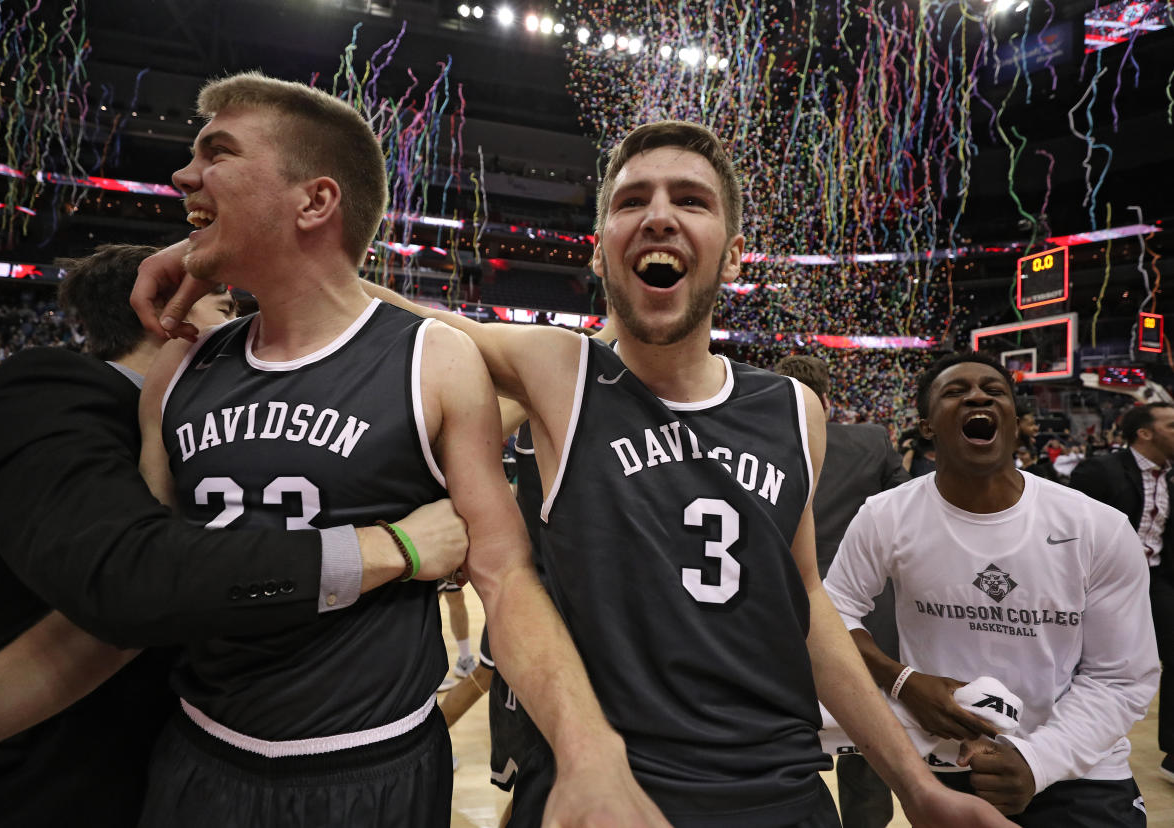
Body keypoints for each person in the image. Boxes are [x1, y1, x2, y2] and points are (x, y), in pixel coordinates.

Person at [137, 118, 1011, 827]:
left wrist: (915, 785)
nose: (660, 216)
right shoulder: (560, 372)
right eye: (632, 201)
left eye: (691, 201)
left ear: (733, 254)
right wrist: (231, 255)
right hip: (596, 788)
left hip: (777, 792)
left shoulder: (794, 408)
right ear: (599, 253)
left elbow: (805, 603)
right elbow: (378, 312)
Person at [131, 72, 658, 826]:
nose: (184, 174)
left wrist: (588, 750)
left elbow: (505, 578)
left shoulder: (431, 361)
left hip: (372, 770)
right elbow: (140, 580)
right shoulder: (179, 368)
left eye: (216, 153)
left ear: (316, 201)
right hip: (197, 753)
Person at [0, 243, 467, 825]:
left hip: (185, 767)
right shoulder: (48, 391)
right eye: (225, 306)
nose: (246, 325)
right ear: (169, 316)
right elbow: (134, 580)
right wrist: (392, 547)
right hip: (39, 792)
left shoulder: (228, 422)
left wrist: (310, 274)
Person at [825, 352, 1159, 824]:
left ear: (1016, 421)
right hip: (950, 762)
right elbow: (831, 613)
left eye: (994, 390)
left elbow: (1122, 676)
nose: (978, 395)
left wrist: (1037, 759)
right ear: (926, 426)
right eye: (956, 392)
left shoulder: (1096, 526)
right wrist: (902, 681)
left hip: (1080, 766)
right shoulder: (886, 515)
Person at [775, 354, 909, 828]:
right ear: (829, 400)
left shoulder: (754, 442)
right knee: (867, 747)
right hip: (863, 619)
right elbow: (906, 514)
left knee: (783, 745)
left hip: (780, 612)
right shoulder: (871, 440)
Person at [1070, 402, 1174, 784]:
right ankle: (1075, 741)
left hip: (1157, 578)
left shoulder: (1170, 475)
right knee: (1089, 664)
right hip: (1103, 582)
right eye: (1172, 425)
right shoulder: (1101, 470)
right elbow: (1070, 527)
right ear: (1145, 433)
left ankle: (1173, 754)